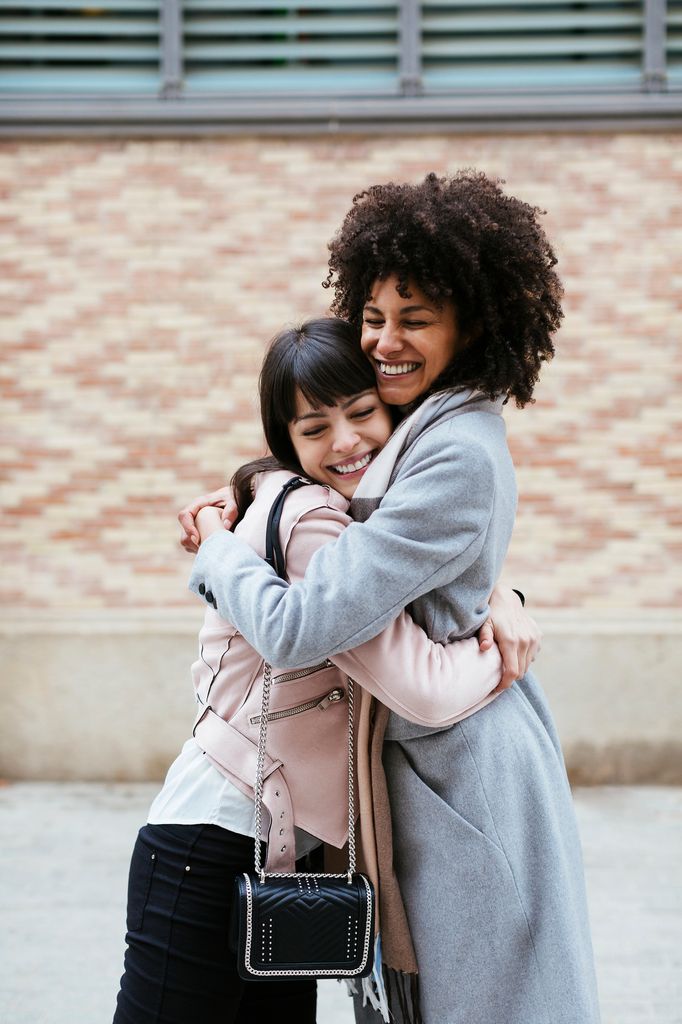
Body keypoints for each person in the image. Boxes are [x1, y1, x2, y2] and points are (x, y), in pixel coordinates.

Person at [179, 172, 601, 1024]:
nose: (385, 341)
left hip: (466, 771)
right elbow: (361, 521)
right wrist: (500, 595)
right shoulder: (416, 430)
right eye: (374, 317)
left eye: (416, 319)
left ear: (470, 327)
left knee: (486, 1002)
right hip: (423, 765)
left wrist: (219, 552)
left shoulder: (454, 450)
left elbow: (314, 618)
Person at [113, 316, 526, 1024]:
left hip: (279, 848)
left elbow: (411, 571)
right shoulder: (313, 527)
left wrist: (502, 594)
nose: (344, 442)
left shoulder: (345, 517)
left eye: (362, 413)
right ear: (288, 442)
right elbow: (421, 687)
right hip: (210, 843)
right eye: (314, 428)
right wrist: (506, 652)